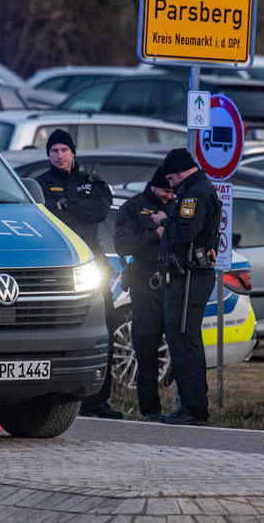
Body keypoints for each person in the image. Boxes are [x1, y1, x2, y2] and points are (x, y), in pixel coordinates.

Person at [33, 129, 119, 419]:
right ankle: (49, 396)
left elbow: (99, 210)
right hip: (53, 265)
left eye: (64, 150)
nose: (59, 155)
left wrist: (65, 206)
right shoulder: (40, 184)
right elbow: (46, 216)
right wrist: (69, 210)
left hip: (91, 263)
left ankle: (99, 399)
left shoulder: (90, 181)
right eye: (54, 150)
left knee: (102, 328)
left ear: (73, 153)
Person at [152, 148, 221, 426]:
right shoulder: (198, 189)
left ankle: (193, 408)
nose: (169, 183)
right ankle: (192, 405)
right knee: (183, 336)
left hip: (190, 275)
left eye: (170, 177)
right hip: (190, 273)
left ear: (178, 171)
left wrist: (165, 224)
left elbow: (185, 231)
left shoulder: (193, 193)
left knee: (183, 336)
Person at [113, 167, 174, 421]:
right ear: (153, 186)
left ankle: (185, 407)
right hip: (144, 283)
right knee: (146, 347)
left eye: (172, 191)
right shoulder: (134, 207)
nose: (169, 196)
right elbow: (123, 244)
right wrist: (154, 233)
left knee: (180, 346)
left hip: (173, 283)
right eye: (165, 191)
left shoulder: (179, 204)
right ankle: (149, 409)